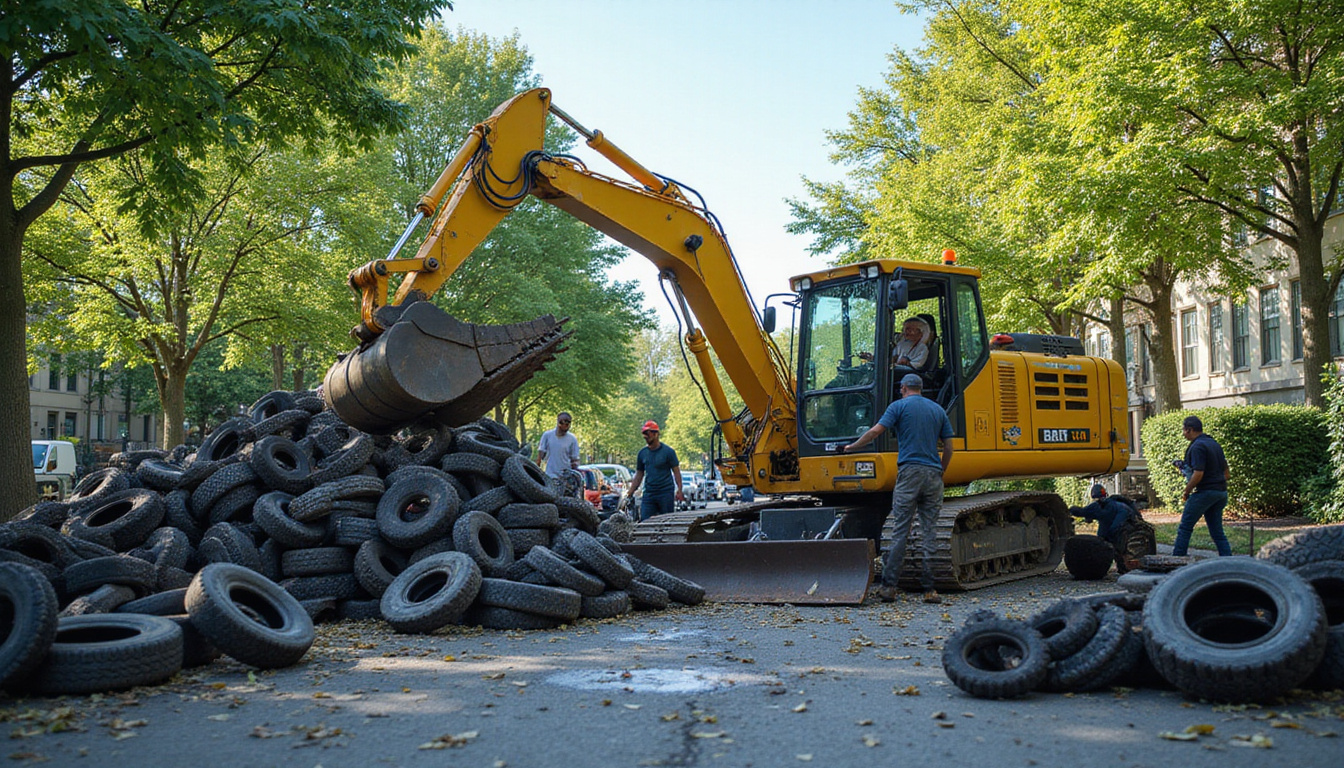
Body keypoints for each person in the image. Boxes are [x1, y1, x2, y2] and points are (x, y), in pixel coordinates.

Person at [844, 373, 954, 603]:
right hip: (933, 474)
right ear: (920, 388)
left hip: (909, 473)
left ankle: (889, 587)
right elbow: (949, 447)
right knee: (930, 531)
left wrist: (852, 447)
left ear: (903, 388)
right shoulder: (937, 410)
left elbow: (875, 432)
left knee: (900, 530)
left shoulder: (899, 407)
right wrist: (940, 470)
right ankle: (930, 590)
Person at [1173, 415, 1232, 556]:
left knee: (1185, 528)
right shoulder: (1214, 443)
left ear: (1189, 429)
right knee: (1217, 532)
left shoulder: (1197, 447)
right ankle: (1228, 562)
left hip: (1205, 492)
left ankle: (1176, 561)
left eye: (1183, 429)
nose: (1183, 432)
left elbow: (1198, 473)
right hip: (1221, 493)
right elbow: (1227, 473)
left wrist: (1187, 491)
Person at [627, 420, 684, 521]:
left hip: (665, 493)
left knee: (667, 522)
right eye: (644, 433)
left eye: (647, 433)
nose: (645, 436)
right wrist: (630, 492)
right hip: (649, 494)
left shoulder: (668, 452)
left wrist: (679, 489)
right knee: (645, 522)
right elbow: (639, 474)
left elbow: (676, 471)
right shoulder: (642, 454)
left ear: (656, 434)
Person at [1071, 483, 1135, 540]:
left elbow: (1083, 512)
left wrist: (1071, 511)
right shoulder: (1116, 504)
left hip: (1117, 534)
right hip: (1122, 530)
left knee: (1111, 532)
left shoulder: (1100, 507)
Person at [536, 412, 580, 479]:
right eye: (564, 425)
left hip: (565, 476)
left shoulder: (572, 439)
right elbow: (540, 454)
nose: (566, 428)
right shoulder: (547, 435)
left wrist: (575, 473)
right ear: (559, 423)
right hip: (549, 474)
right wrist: (537, 468)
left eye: (568, 425)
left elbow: (574, 459)